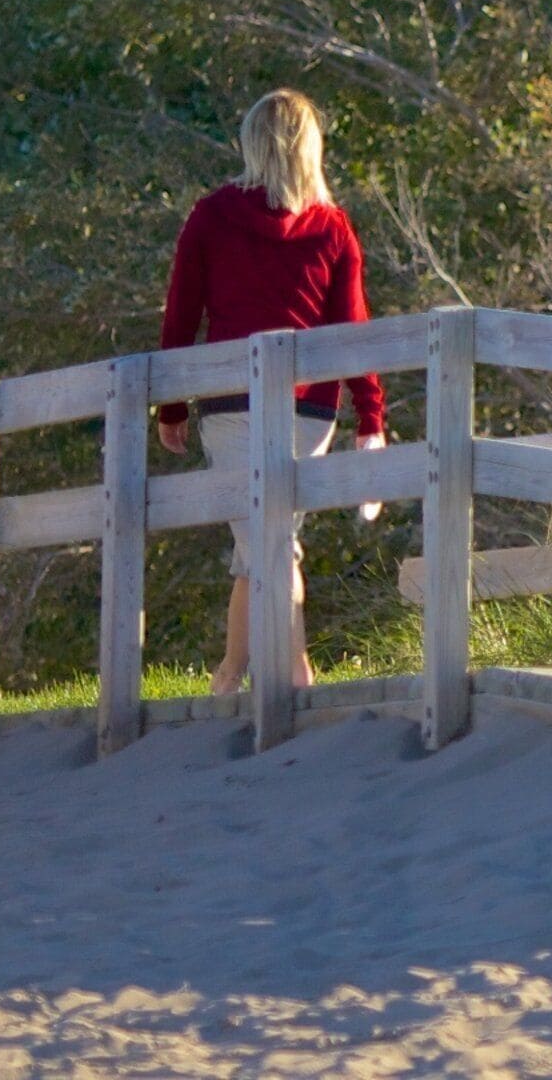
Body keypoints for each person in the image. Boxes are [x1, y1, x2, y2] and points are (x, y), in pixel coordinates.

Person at [151, 89, 386, 696]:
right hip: (310, 407)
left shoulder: (211, 216)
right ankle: (256, 677)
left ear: (251, 141)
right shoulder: (332, 227)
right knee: (267, 540)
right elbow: (351, 330)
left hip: (230, 401)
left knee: (265, 541)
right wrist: (369, 413)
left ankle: (262, 678)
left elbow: (181, 319)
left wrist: (173, 406)